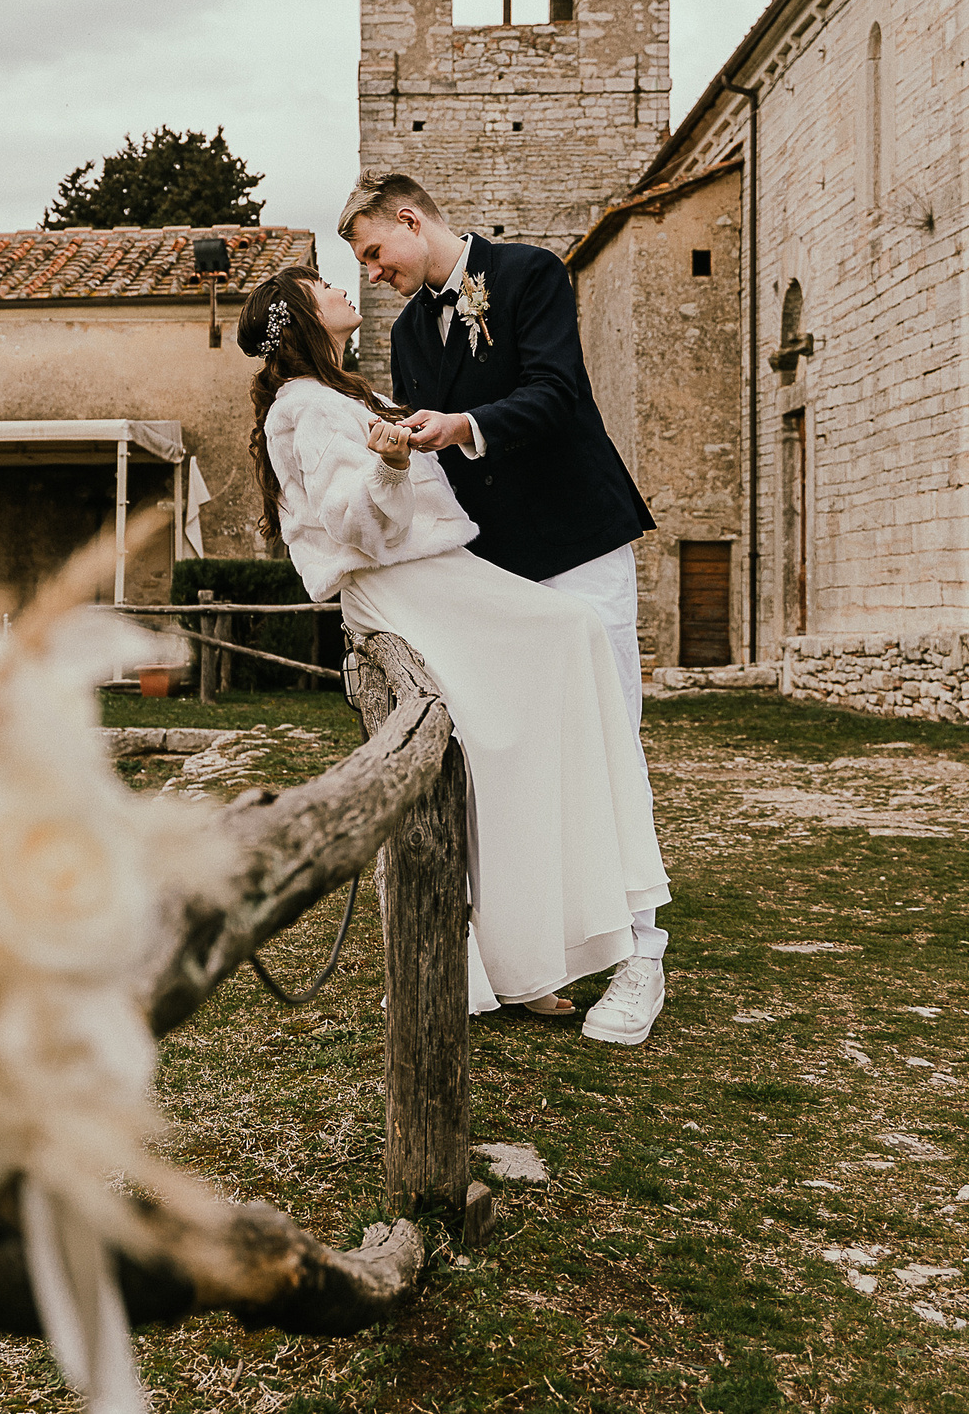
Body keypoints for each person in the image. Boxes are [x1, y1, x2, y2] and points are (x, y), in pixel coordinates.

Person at [239, 265, 671, 1037]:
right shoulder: (307, 405)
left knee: (511, 737)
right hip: (410, 587)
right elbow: (353, 524)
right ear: (302, 313)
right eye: (324, 284)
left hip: (431, 578)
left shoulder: (333, 392)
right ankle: (562, 941)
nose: (345, 285)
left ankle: (526, 954)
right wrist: (390, 463)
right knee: (568, 640)